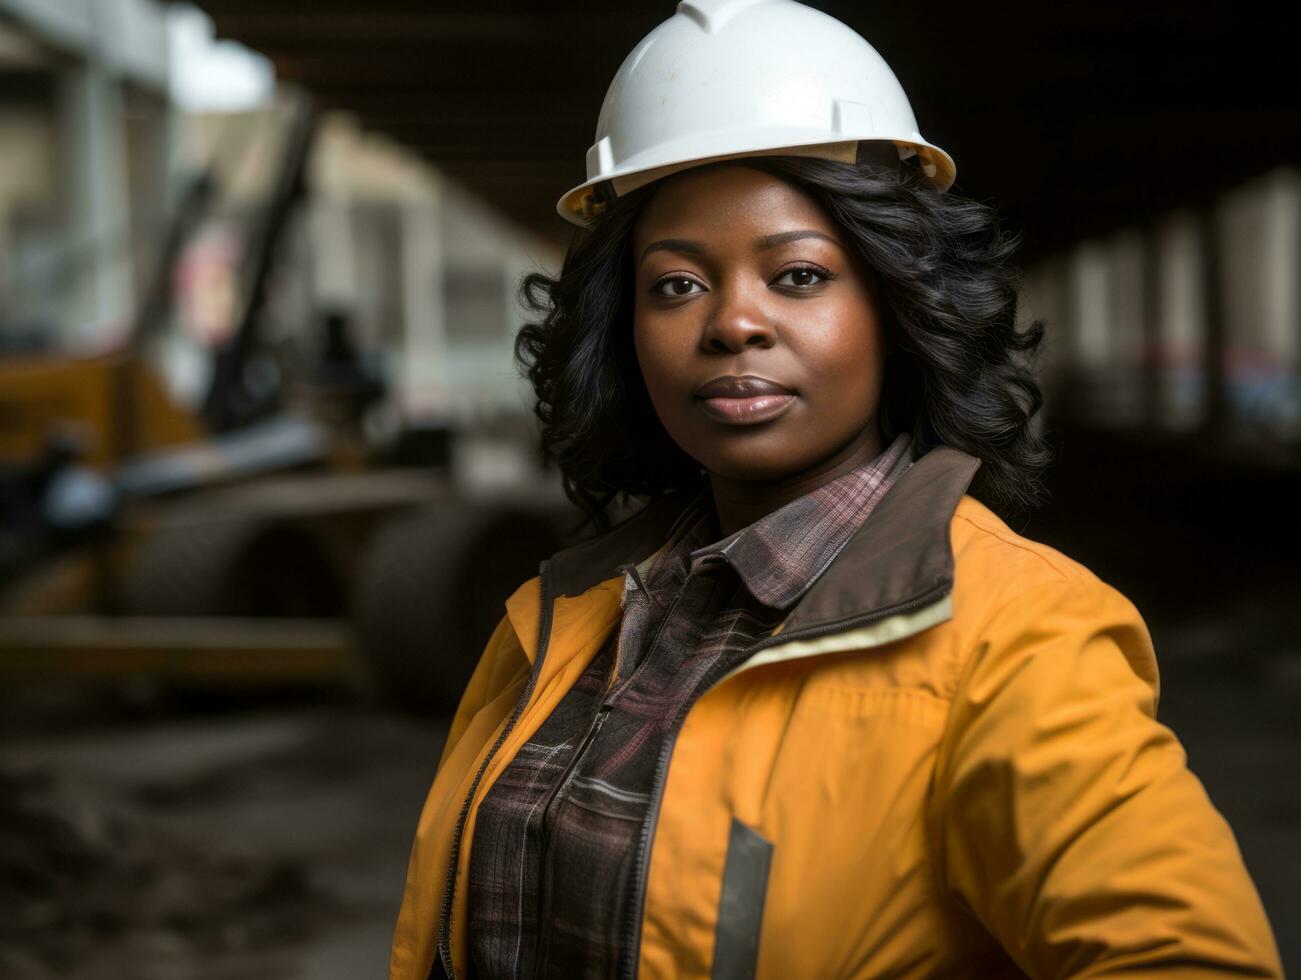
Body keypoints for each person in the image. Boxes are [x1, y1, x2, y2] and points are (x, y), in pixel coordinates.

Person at [390, 2, 1284, 977]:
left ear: (894, 309)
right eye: (676, 284)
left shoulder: (1019, 639)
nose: (733, 321)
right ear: (623, 329)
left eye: (799, 275)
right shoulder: (560, 617)